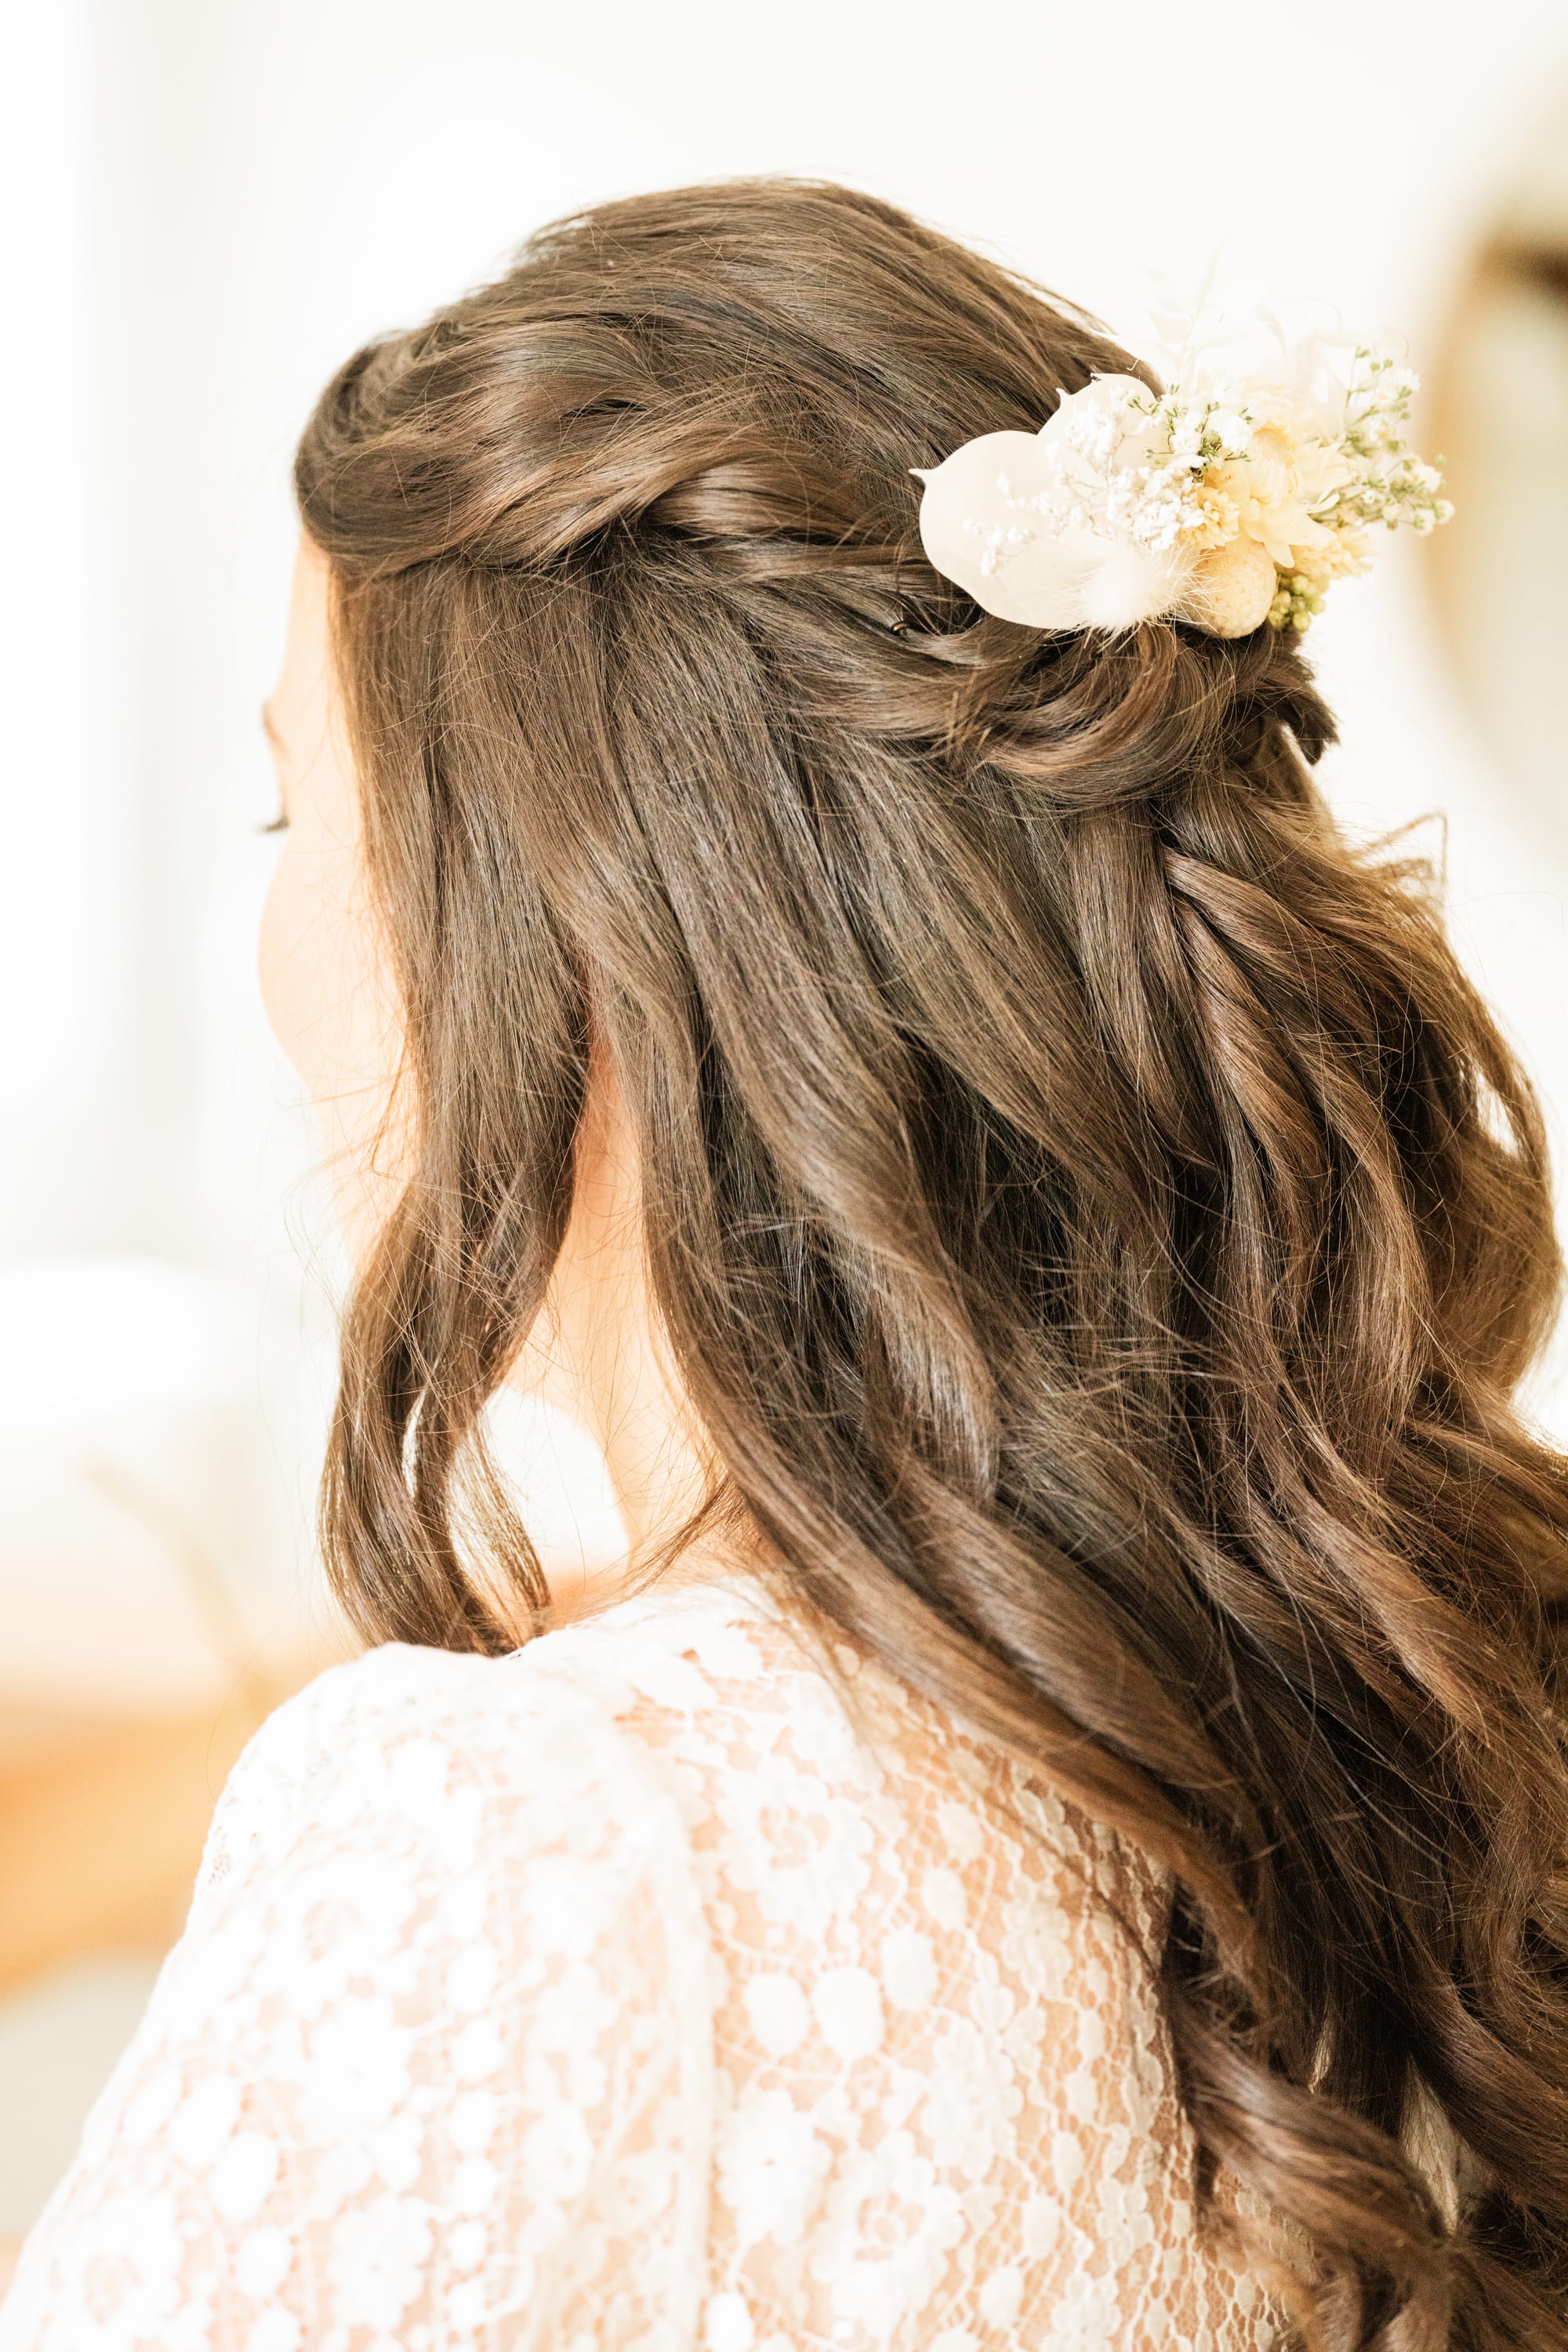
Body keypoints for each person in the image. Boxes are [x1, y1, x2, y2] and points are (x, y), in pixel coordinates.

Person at [4, 178, 1566, 2350]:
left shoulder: (514, 1839)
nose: (275, 937)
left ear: (579, 939)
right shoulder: (1310, 1755)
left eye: (299, 817)